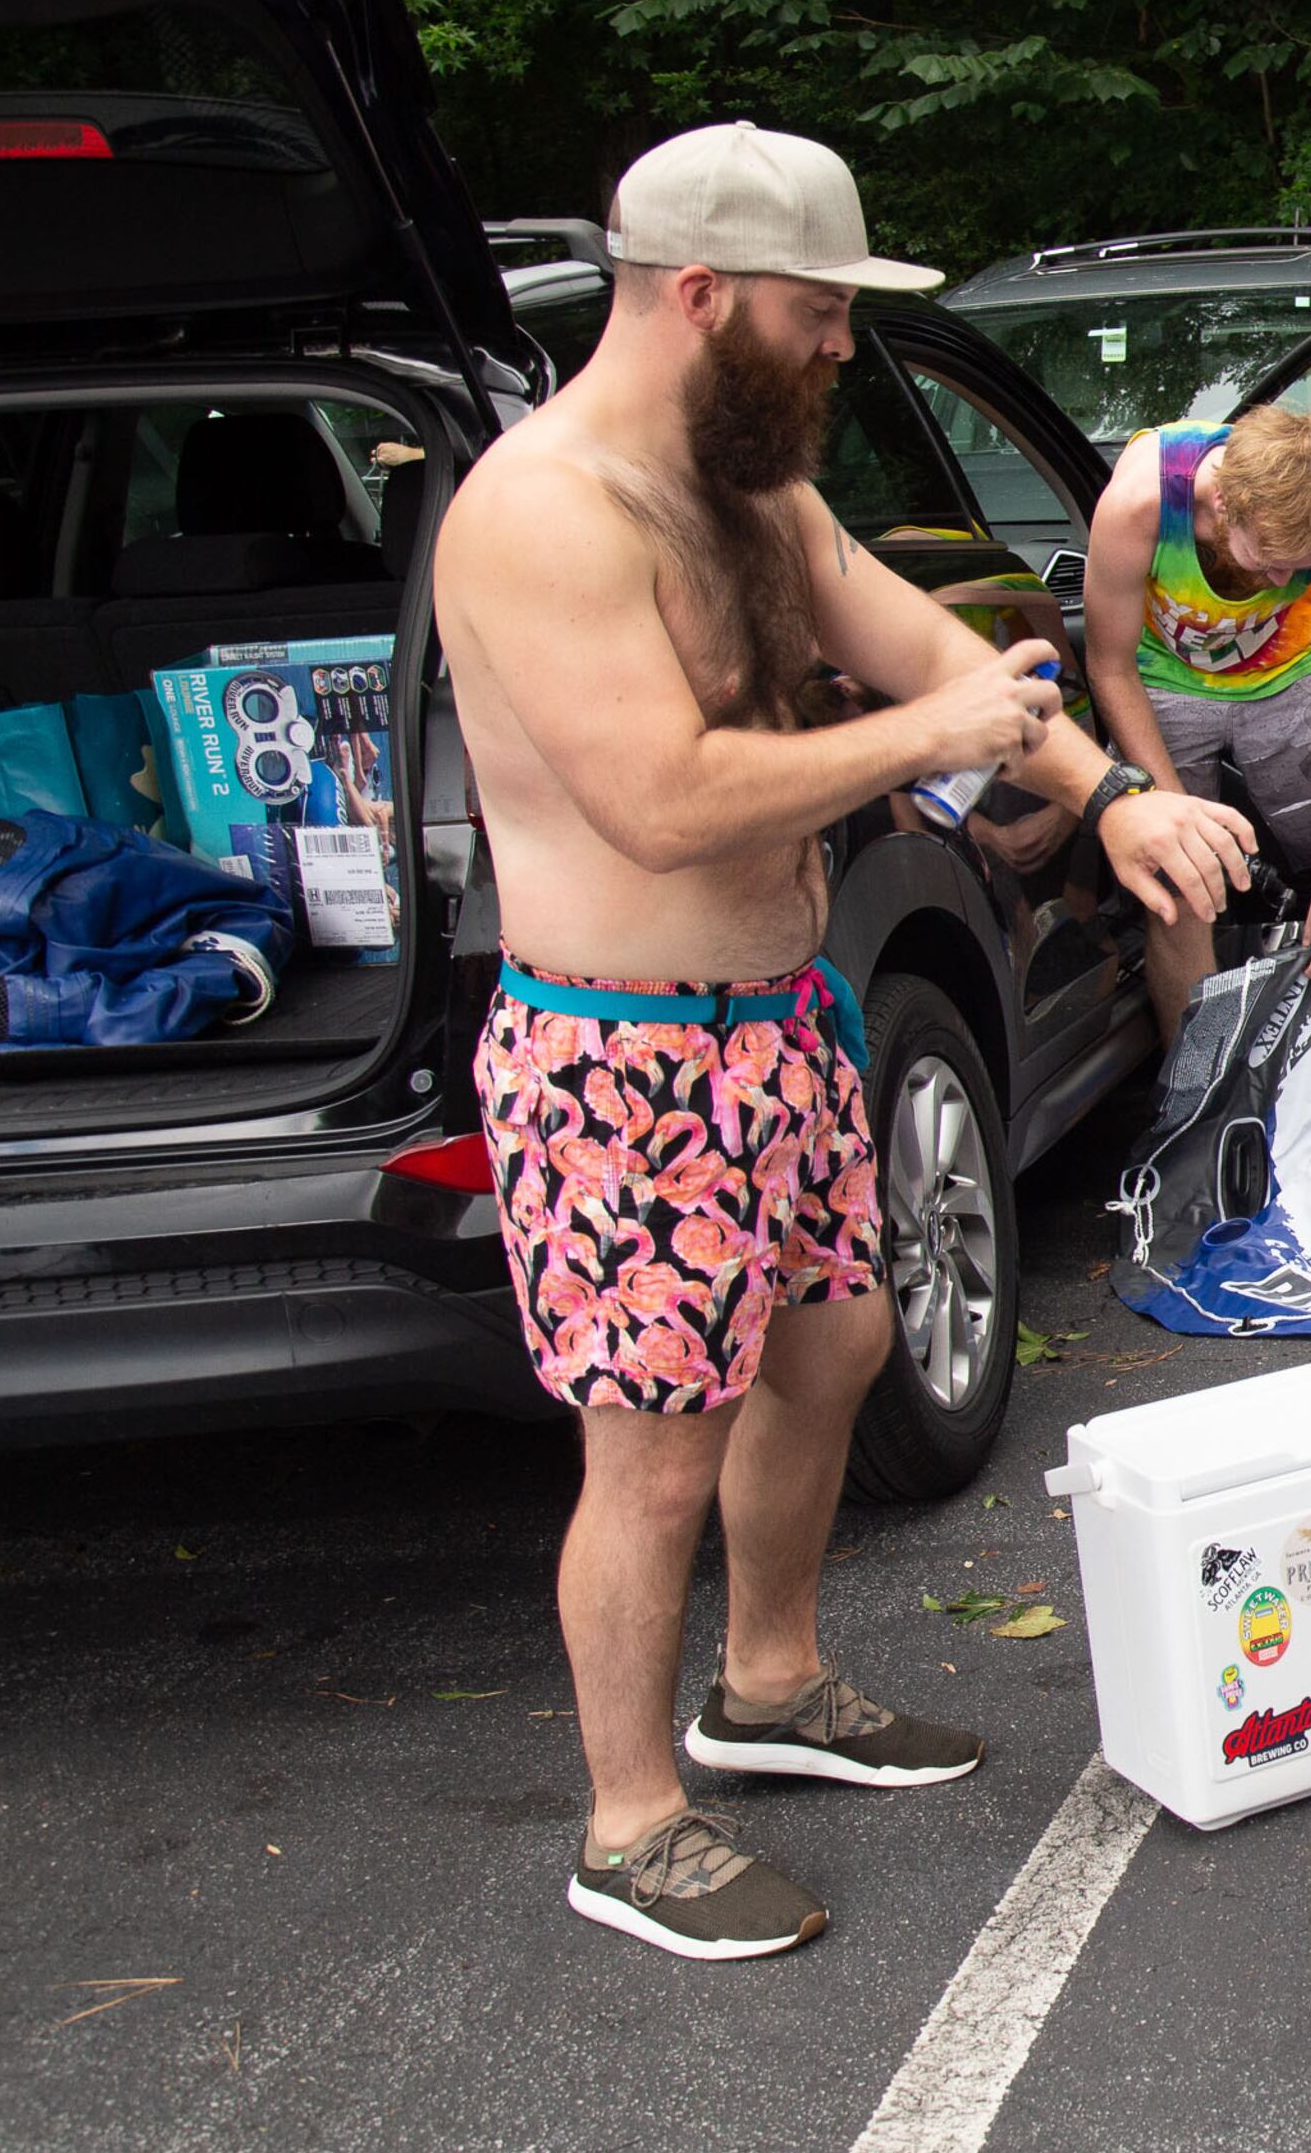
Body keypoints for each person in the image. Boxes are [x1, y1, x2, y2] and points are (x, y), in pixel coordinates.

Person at [431, 121, 1260, 1962]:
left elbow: (924, 661)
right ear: (703, 295)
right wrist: (939, 736)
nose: (836, 351)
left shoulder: (757, 495)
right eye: (817, 314)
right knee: (653, 1447)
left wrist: (1112, 796)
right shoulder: (542, 510)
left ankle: (773, 1680)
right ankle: (630, 1820)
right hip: (620, 1059)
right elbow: (662, 799)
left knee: (841, 1338)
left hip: (782, 1024)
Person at [1080, 403, 1311, 1034]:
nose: (1283, 577)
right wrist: (1174, 819)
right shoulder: (1139, 503)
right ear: (1225, 504)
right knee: (1178, 883)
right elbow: (1109, 668)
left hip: (1288, 666)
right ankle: (1196, 1099)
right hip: (1163, 675)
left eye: (1301, 564)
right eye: (1268, 560)